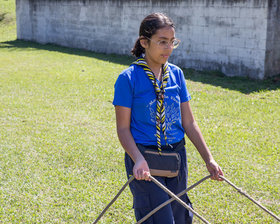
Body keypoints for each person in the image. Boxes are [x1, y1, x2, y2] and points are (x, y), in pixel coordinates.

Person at [113, 13, 224, 224]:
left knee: (180, 217)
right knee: (157, 219)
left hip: (176, 157)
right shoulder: (128, 79)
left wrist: (209, 159)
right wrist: (138, 159)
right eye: (162, 41)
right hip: (144, 158)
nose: (168, 48)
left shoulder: (176, 74)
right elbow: (123, 129)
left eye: (172, 42)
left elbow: (189, 123)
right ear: (144, 42)